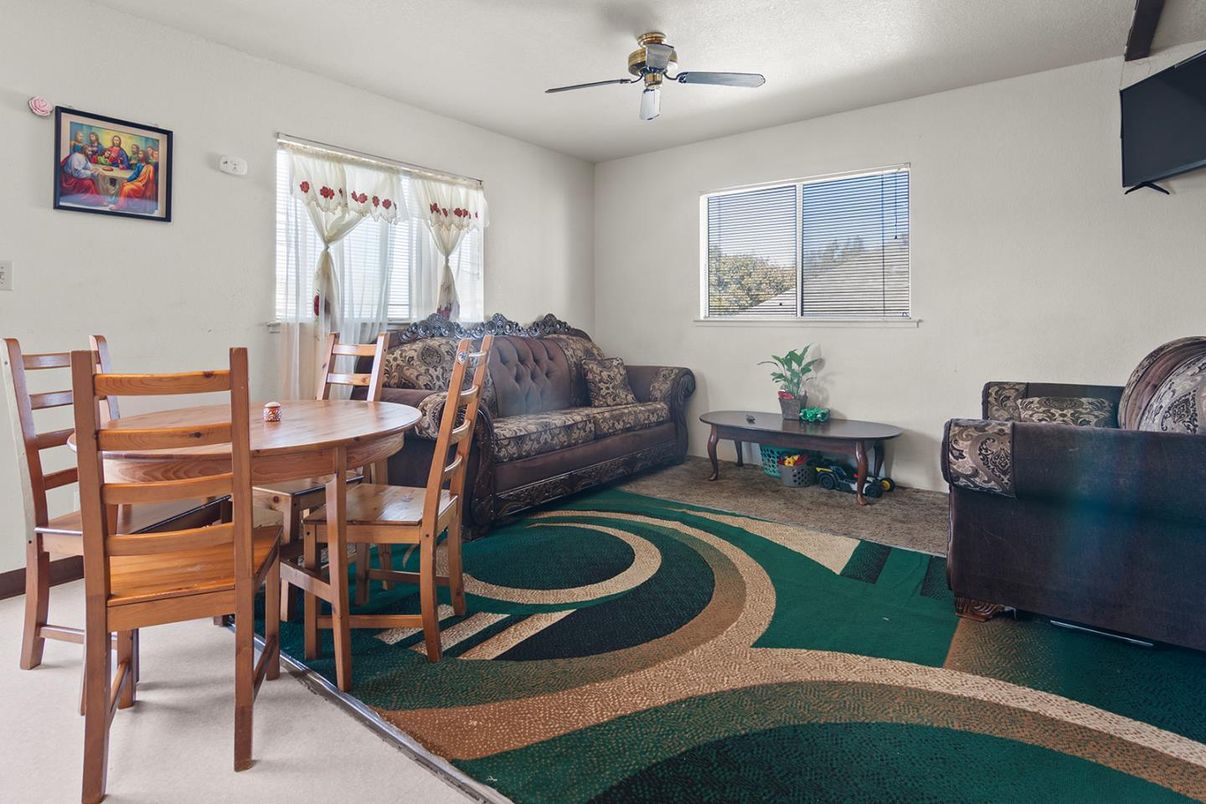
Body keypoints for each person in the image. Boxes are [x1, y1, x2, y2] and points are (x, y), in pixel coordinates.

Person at [114, 147, 157, 213]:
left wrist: (148, 187)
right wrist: (128, 180)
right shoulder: (139, 165)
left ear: (145, 156)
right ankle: (123, 205)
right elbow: (135, 175)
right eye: (139, 154)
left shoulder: (150, 167)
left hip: (144, 186)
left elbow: (151, 180)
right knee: (124, 185)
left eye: (141, 154)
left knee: (127, 188)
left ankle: (121, 206)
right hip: (138, 183)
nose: (139, 155)